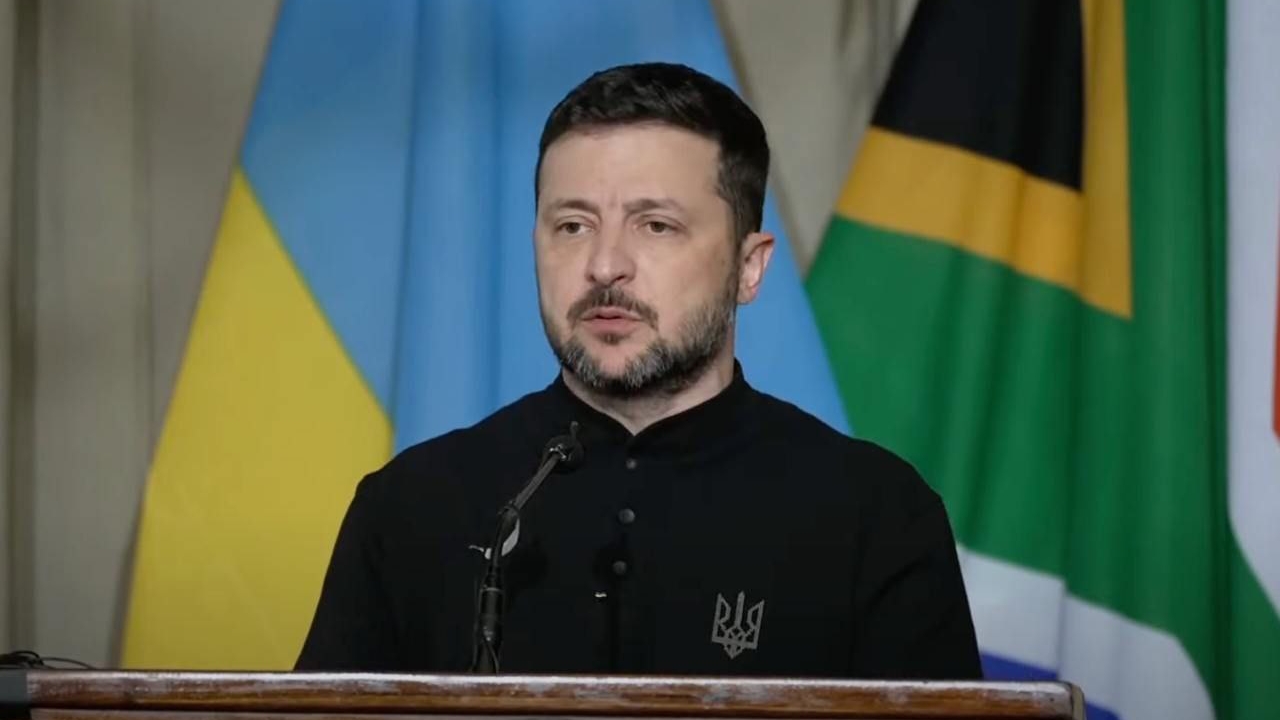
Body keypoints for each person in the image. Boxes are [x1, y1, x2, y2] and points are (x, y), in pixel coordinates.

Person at [295, 62, 982, 678]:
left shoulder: (875, 519)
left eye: (656, 225)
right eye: (573, 226)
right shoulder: (413, 506)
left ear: (749, 267)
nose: (604, 266)